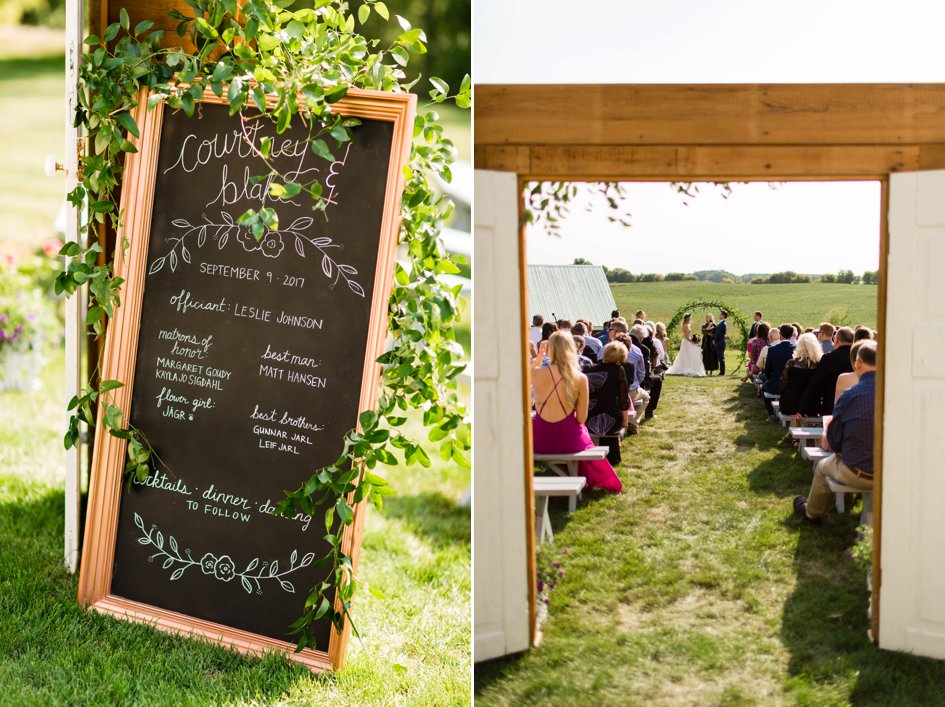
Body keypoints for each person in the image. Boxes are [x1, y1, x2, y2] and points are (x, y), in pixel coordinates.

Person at [794, 341, 877, 524]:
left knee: (823, 466)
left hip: (858, 471)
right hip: (892, 473)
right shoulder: (897, 394)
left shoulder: (849, 395)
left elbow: (834, 439)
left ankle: (813, 513)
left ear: (857, 364)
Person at [531, 332, 622, 493]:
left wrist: (539, 357)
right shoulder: (580, 378)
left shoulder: (536, 374)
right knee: (584, 434)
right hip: (568, 441)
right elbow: (581, 419)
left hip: (539, 440)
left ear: (549, 349)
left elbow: (528, 372)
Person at [586, 342, 631, 464]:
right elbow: (623, 400)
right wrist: (625, 423)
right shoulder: (618, 370)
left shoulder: (589, 368)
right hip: (610, 417)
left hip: (589, 416)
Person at [796, 326, 855, 417]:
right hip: (856, 405)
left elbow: (815, 384)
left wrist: (801, 409)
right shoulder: (859, 358)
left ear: (836, 341)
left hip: (832, 407)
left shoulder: (829, 358)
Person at [778, 332, 822, 416]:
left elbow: (782, 385)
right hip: (811, 405)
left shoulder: (791, 363)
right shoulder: (820, 365)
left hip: (790, 404)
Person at [763, 324, 797, 416]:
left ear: (780, 334)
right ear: (792, 335)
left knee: (764, 387)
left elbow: (767, 370)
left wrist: (772, 379)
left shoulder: (772, 349)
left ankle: (771, 414)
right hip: (793, 386)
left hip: (776, 384)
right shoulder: (796, 349)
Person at [715, 310, 728, 376]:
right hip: (719, 341)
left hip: (720, 342)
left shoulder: (723, 324)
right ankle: (721, 371)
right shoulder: (721, 323)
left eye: (720, 314)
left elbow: (719, 334)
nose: (719, 315)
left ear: (723, 315)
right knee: (720, 357)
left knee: (721, 357)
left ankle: (722, 372)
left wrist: (715, 340)